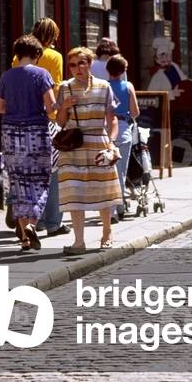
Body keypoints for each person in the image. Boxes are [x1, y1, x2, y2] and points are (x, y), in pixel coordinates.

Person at [56, 47, 121, 254]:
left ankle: (107, 232)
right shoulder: (65, 87)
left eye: (81, 63)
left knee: (103, 189)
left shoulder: (104, 87)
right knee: (73, 191)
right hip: (73, 145)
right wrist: (64, 106)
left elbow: (112, 119)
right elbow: (60, 122)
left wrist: (111, 143)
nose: (77, 68)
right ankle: (79, 242)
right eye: (72, 65)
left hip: (98, 143)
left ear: (90, 64)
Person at [0, 34, 57, 251]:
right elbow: (50, 107)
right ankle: (32, 224)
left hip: (11, 132)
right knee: (40, 181)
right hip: (36, 131)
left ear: (17, 53)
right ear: (37, 54)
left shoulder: (7, 76)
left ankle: (24, 237)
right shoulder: (42, 74)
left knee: (18, 183)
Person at [20, 18, 67, 238]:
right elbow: (56, 87)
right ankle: (53, 222)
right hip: (47, 118)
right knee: (53, 171)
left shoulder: (18, 57)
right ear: (52, 35)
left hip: (22, 118)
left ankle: (34, 220)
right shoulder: (55, 57)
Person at [104, 54, 139, 220]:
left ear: (108, 69)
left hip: (106, 128)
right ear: (124, 70)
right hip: (123, 127)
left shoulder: (103, 86)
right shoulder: (128, 86)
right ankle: (119, 207)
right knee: (120, 171)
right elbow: (135, 112)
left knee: (106, 170)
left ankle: (110, 208)